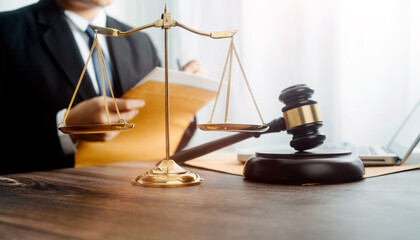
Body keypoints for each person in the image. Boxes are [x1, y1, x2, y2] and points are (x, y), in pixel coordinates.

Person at [0, 0, 205, 174]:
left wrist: (183, 96)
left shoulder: (139, 41)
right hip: (45, 202)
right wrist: (66, 128)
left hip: (133, 196)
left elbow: (165, 139)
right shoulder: (7, 30)